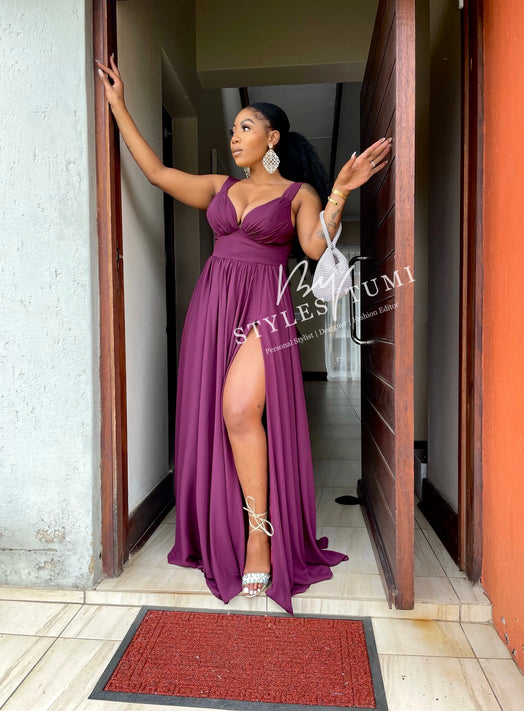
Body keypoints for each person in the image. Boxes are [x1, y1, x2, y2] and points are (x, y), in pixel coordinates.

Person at [96, 55, 392, 614]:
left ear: (272, 138)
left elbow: (314, 247)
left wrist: (341, 188)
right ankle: (231, 522)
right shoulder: (219, 186)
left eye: (246, 127)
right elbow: (157, 173)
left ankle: (261, 533)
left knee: (238, 409)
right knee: (220, 413)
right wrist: (118, 105)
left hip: (266, 308)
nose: (234, 137)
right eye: (233, 129)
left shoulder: (299, 193)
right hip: (212, 307)